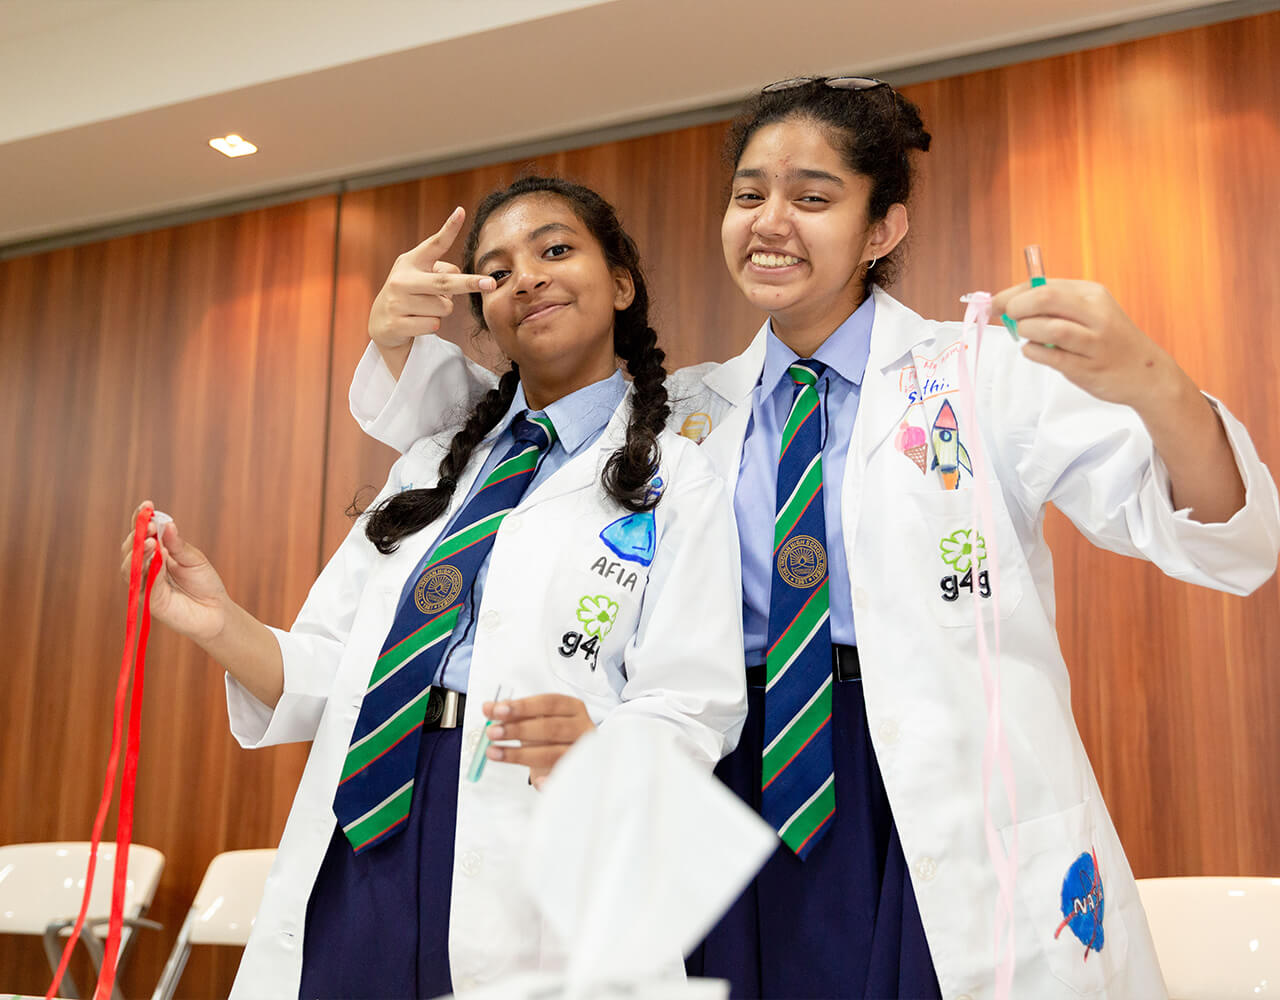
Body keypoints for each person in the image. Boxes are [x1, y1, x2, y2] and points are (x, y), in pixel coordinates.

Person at [348, 80, 1280, 998]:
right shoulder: (684, 415)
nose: (769, 220)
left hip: (917, 777)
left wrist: (1151, 382)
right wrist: (397, 337)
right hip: (725, 778)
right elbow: (506, 428)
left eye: (813, 197)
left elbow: (1218, 535)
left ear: (883, 230)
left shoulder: (977, 373)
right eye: (749, 194)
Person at [123, 176, 747, 999]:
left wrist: (603, 741)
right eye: (495, 271)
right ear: (482, 312)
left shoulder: (682, 480)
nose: (525, 277)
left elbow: (694, 701)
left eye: (556, 250)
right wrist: (217, 622)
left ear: (622, 282)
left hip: (539, 821)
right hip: (366, 823)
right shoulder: (429, 468)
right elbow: (328, 670)